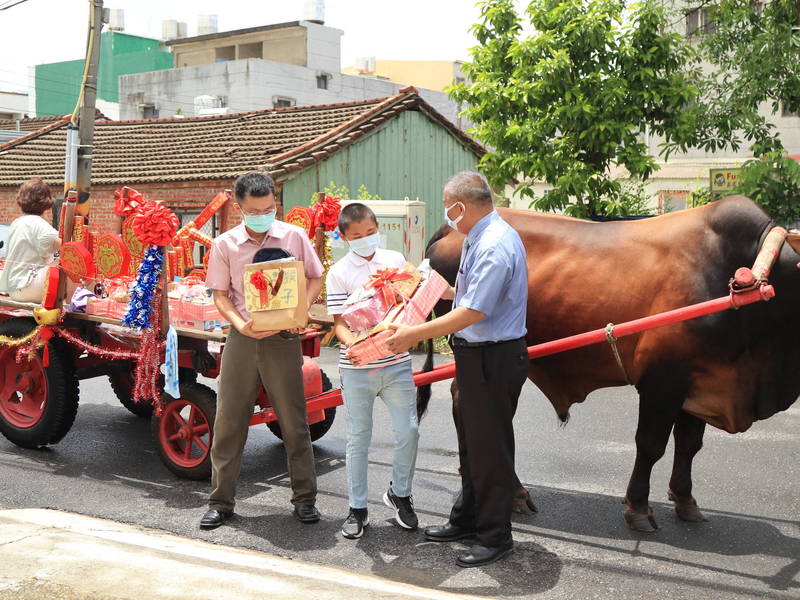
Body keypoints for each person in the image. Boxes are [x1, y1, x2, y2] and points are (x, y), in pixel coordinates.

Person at [385, 171, 528, 568]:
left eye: (448, 206)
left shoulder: (495, 244)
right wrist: (432, 287)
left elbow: (475, 311)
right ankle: (467, 520)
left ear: (461, 206)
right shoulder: (480, 236)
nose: (447, 214)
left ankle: (495, 537)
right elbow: (467, 295)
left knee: (491, 450)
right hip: (475, 356)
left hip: (492, 357)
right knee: (471, 444)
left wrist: (413, 333)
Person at [200, 172, 324, 529]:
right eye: (255, 210)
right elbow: (220, 295)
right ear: (240, 208)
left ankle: (304, 499)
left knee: (294, 421)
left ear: (275, 204)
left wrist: (303, 306)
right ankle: (220, 502)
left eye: (269, 208)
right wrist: (240, 325)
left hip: (283, 338)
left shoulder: (294, 236)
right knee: (229, 422)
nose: (263, 214)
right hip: (243, 339)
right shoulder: (225, 244)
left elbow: (315, 276)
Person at [326, 203, 419, 539]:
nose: (365, 240)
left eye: (369, 233)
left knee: (408, 430)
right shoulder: (338, 272)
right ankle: (357, 508)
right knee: (358, 438)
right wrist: (353, 345)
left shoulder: (394, 260)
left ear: (377, 228)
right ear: (343, 237)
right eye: (357, 236)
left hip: (396, 363)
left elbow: (407, 304)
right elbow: (339, 323)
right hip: (357, 367)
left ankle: (401, 493)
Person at [0, 178, 61, 302]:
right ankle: (76, 302)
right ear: (46, 202)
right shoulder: (39, 225)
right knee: (68, 264)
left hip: (13, 288)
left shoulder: (16, 223)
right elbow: (67, 246)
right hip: (28, 287)